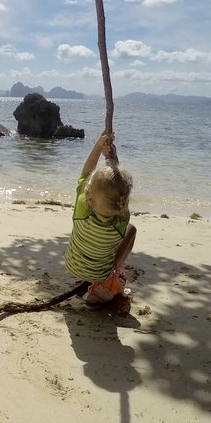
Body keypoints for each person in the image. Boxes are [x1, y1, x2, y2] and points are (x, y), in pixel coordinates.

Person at [64, 132, 136, 310]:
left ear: (88, 194)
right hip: (100, 273)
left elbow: (86, 172)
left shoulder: (81, 208)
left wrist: (98, 145)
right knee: (132, 230)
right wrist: (113, 158)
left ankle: (89, 276)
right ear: (122, 202)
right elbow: (119, 189)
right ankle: (112, 272)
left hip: (72, 265)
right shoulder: (121, 220)